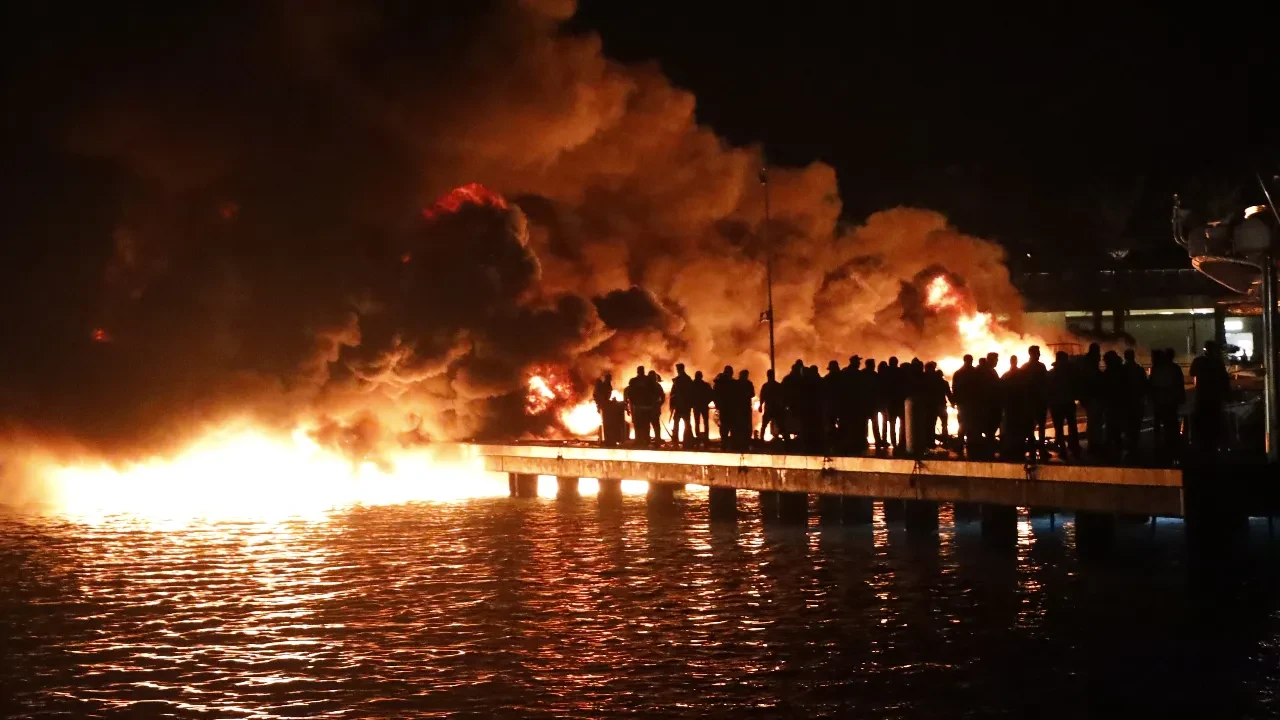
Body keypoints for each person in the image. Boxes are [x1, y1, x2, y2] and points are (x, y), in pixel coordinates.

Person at [1189, 340, 1230, 455]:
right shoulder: (1218, 362)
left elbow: (1192, 372)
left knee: (1202, 421)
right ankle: (1215, 446)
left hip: (1202, 395)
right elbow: (1224, 379)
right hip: (1215, 397)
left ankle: (1202, 446)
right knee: (1215, 421)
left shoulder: (1199, 361)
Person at [1149, 348, 1186, 459]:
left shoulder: (1158, 368)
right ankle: (1171, 442)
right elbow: (1179, 384)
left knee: (1159, 421)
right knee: (1171, 421)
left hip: (1160, 399)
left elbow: (1152, 383)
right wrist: (1181, 396)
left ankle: (1159, 443)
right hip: (1171, 400)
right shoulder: (1175, 368)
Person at [1047, 350, 1079, 460]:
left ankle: (1062, 449)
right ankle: (1074, 448)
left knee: (1059, 428)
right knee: (1072, 426)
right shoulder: (1071, 373)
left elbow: (1048, 389)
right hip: (1068, 403)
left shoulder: (1052, 373)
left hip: (1056, 405)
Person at [1077, 343, 1105, 457]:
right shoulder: (1090, 366)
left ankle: (1094, 443)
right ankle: (1094, 444)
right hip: (1092, 396)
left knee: (1094, 421)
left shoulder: (1086, 363)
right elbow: (1092, 379)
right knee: (1095, 422)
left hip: (1089, 396)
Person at [1022, 345, 1049, 459]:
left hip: (1029, 402)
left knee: (1030, 428)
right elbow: (1046, 383)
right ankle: (1042, 450)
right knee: (1041, 427)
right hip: (1039, 402)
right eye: (1038, 352)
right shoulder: (1041, 367)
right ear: (1033, 354)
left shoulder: (1024, 368)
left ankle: (1032, 450)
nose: (1039, 354)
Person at [1121, 349, 1148, 459]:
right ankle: (1134, 445)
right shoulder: (1139, 369)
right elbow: (1145, 385)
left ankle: (1129, 446)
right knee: (1136, 424)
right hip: (1137, 401)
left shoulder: (1122, 370)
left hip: (1126, 402)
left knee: (1127, 424)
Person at [1101, 351, 1126, 460]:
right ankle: (1117, 444)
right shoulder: (1121, 370)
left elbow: (1104, 386)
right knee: (1116, 425)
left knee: (1111, 424)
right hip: (1118, 402)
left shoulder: (1109, 372)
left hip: (1112, 402)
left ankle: (1111, 446)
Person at [952, 354, 978, 456]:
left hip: (962, 403)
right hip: (972, 403)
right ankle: (971, 445)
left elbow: (954, 388)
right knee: (971, 424)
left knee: (962, 424)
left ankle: (960, 445)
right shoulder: (975, 372)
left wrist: (954, 401)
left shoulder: (958, 373)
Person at [1000, 355, 1023, 457]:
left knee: (1008, 428)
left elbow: (999, 390)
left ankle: (1007, 449)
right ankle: (1017, 449)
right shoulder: (1022, 374)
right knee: (1018, 428)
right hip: (1018, 406)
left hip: (1008, 406)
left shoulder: (1005, 375)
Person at [624, 366, 651, 445]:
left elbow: (629, 394)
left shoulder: (634, 381)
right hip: (646, 406)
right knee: (645, 424)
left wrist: (628, 406)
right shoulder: (648, 380)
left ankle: (639, 440)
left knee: (638, 424)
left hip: (637, 406)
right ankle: (646, 440)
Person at [669, 364, 694, 447]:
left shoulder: (677, 380)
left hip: (679, 406)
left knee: (677, 423)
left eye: (677, 369)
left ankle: (675, 441)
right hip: (685, 406)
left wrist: (672, 405)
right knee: (687, 423)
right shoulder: (688, 379)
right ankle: (687, 441)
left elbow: (673, 394)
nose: (677, 370)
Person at [759, 368, 784, 445]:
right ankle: (787, 441)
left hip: (770, 408)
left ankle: (761, 440)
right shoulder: (778, 385)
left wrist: (760, 405)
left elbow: (762, 396)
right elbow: (782, 396)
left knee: (764, 425)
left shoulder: (766, 386)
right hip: (775, 408)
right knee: (780, 424)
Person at [713, 365, 737, 448]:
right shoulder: (731, 382)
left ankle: (724, 443)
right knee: (730, 425)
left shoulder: (719, 382)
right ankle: (730, 443)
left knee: (724, 426)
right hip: (729, 407)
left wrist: (717, 404)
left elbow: (714, 394)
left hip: (723, 407)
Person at [823, 360, 844, 451]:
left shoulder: (827, 379)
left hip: (831, 406)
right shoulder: (842, 378)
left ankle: (832, 442)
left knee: (831, 424)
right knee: (841, 424)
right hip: (839, 405)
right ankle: (839, 441)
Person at [734, 369, 756, 449]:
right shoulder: (748, 384)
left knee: (740, 425)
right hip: (744, 407)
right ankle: (745, 441)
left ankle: (740, 441)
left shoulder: (736, 383)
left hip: (739, 408)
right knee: (746, 425)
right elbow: (752, 394)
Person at [691, 370, 713, 446]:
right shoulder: (705, 385)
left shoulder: (692, 385)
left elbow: (689, 395)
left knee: (697, 422)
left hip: (697, 406)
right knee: (705, 422)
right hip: (703, 406)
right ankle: (706, 437)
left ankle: (698, 436)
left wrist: (693, 403)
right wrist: (706, 402)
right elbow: (711, 395)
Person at [593, 372, 614, 442]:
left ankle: (604, 437)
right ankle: (602, 437)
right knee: (604, 422)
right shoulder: (605, 385)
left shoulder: (607, 384)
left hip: (604, 405)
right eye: (610, 378)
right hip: (603, 405)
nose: (610, 379)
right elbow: (601, 395)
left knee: (605, 421)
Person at [646, 370, 666, 444]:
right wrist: (659, 404)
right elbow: (663, 396)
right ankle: (657, 439)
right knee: (656, 425)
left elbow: (662, 396)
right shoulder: (657, 385)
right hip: (654, 408)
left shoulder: (647, 385)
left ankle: (648, 439)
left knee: (648, 425)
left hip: (648, 408)